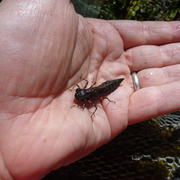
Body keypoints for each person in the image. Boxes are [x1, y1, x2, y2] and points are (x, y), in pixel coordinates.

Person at [0, 0, 179, 179]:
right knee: (105, 90)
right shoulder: (86, 95)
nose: (78, 95)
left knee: (106, 90)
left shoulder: (87, 96)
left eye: (79, 94)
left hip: (103, 89)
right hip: (102, 89)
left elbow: (89, 95)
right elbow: (87, 95)